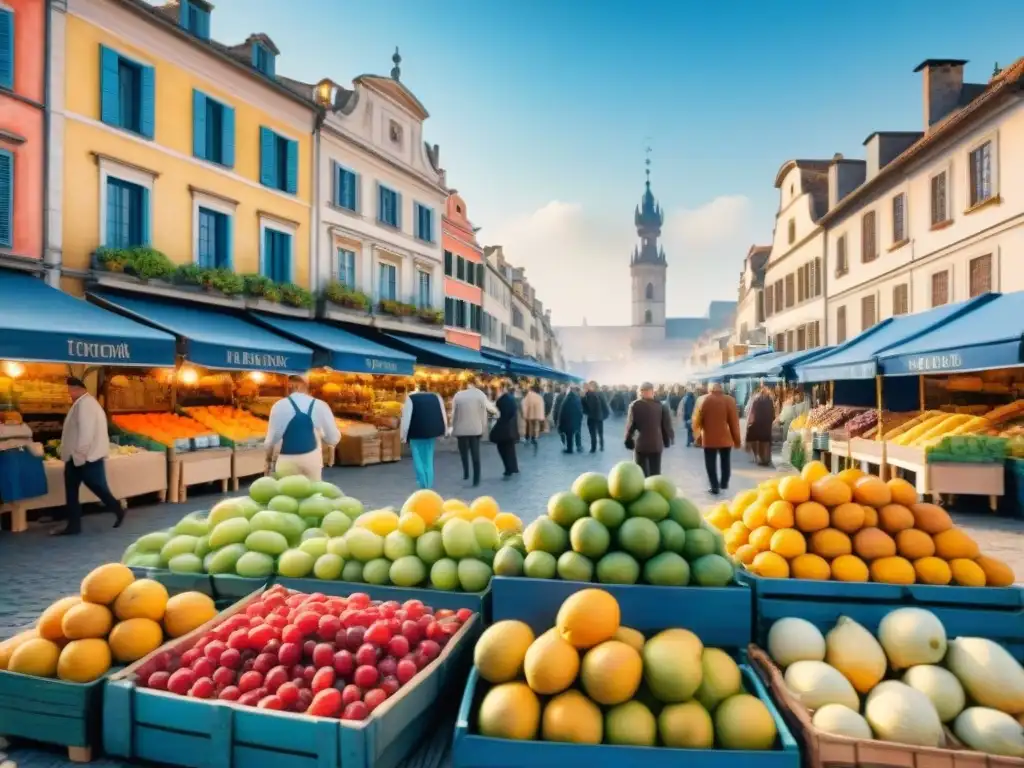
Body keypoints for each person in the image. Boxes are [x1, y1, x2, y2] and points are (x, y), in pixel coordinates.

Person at [54, 377, 125, 535]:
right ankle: (74, 525)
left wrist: (79, 455)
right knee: (74, 490)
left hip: (84, 457)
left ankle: (117, 508)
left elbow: (86, 433)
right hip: (80, 456)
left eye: (70, 390)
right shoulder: (85, 403)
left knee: (96, 486)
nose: (69, 393)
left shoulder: (85, 405)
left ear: (77, 389)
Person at [265, 375, 341, 481]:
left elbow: (271, 440)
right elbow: (333, 438)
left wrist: (268, 460)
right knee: (313, 494)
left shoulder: (279, 406)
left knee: (286, 495)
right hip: (312, 460)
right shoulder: (320, 405)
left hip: (286, 460)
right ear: (306, 385)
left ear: (289, 385)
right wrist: (322, 434)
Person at [692, 381, 742, 495]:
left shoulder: (702, 400)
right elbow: (734, 423)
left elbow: (696, 422)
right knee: (726, 461)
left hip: (709, 438)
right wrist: (737, 441)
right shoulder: (729, 400)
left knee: (710, 463)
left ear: (710, 388)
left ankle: (714, 486)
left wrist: (698, 437)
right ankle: (724, 483)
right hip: (726, 438)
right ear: (721, 388)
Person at [399, 381, 448, 489]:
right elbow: (443, 413)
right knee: (428, 460)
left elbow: (406, 419)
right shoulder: (436, 397)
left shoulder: (411, 398)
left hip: (415, 434)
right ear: (427, 387)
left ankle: (423, 484)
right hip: (430, 433)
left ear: (417, 387)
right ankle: (429, 485)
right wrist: (445, 430)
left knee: (418, 460)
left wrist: (403, 435)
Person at [451, 377, 497, 486]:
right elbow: (491, 409)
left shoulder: (458, 395)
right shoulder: (480, 394)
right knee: (475, 455)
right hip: (476, 429)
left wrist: (452, 426)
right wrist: (496, 413)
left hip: (461, 429)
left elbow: (453, 414)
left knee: (463, 453)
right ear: (474, 384)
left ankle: (466, 473)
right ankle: (476, 479)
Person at [624, 381, 674, 477]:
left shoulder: (635, 405)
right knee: (655, 474)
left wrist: (628, 439)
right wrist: (667, 439)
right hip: (655, 444)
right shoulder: (660, 405)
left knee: (641, 474)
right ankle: (653, 490)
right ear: (652, 392)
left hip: (641, 444)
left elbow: (630, 425)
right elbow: (666, 426)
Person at [490, 383, 520, 478]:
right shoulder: (511, 399)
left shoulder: (502, 400)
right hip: (511, 428)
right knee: (510, 449)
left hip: (503, 429)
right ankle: (514, 467)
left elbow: (498, 413)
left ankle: (508, 469)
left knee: (503, 449)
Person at [745, 385, 776, 467]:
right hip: (767, 423)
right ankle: (767, 459)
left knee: (759, 441)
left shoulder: (756, 400)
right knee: (766, 441)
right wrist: (772, 419)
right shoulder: (769, 400)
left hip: (758, 423)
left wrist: (749, 422)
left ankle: (760, 458)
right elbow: (773, 412)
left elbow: (752, 412)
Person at [581, 380, 609, 452]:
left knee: (600, 433)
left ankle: (601, 445)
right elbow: (584, 405)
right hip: (591, 417)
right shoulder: (587, 394)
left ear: (596, 386)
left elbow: (604, 405)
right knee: (592, 433)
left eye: (592, 385)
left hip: (598, 417)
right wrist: (583, 397)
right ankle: (593, 448)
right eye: (590, 385)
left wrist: (605, 415)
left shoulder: (599, 394)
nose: (591, 387)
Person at [558, 385, 584, 454]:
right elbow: (579, 410)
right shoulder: (576, 398)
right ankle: (578, 446)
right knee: (577, 433)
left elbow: (563, 410)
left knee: (570, 434)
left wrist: (561, 420)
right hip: (575, 419)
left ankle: (570, 449)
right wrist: (580, 418)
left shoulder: (569, 397)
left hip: (569, 419)